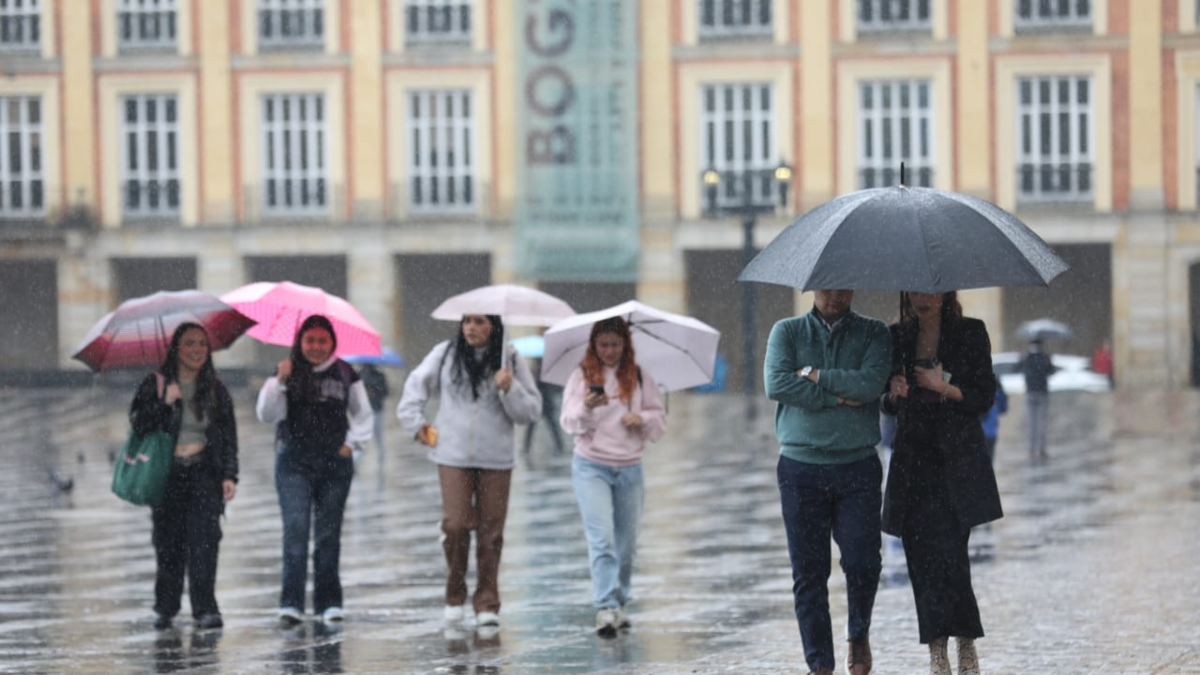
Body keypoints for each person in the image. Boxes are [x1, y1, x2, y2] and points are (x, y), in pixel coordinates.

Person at [764, 289, 892, 675]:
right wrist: (837, 398)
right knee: (809, 571)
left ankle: (858, 632)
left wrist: (816, 377)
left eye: (842, 286)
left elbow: (870, 385)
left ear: (853, 288)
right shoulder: (786, 332)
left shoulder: (875, 334)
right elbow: (777, 385)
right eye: (826, 286)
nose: (835, 295)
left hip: (858, 466)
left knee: (864, 562)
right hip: (800, 467)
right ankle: (819, 662)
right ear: (812, 288)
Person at [881, 291, 1003, 675]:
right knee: (920, 560)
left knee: (952, 557)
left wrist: (944, 387)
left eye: (930, 289)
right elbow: (883, 399)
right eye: (914, 289)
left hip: (956, 464)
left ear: (945, 291)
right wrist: (892, 395)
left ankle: (966, 641)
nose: (922, 297)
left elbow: (984, 395)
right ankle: (936, 650)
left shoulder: (970, 332)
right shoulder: (896, 337)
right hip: (913, 465)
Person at [396, 314, 541, 629]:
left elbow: (531, 411)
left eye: (479, 321)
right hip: (453, 455)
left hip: (496, 458)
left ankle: (487, 601)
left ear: (494, 326)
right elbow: (414, 389)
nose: (471, 328)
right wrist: (416, 424)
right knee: (456, 524)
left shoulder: (510, 358)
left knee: (491, 532)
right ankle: (454, 591)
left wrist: (511, 387)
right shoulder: (446, 354)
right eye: (466, 321)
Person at [256, 314, 373, 625]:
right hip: (294, 463)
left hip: (335, 463)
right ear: (300, 342)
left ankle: (329, 603)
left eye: (322, 340)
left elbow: (363, 414)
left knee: (328, 534)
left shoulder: (346, 372)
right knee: (295, 531)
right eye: (310, 340)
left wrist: (352, 445)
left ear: (332, 342)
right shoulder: (286, 370)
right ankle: (291, 602)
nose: (316, 347)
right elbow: (267, 415)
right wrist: (279, 382)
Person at [559, 317, 667, 637]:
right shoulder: (580, 377)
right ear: (594, 345)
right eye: (603, 344)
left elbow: (659, 421)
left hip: (630, 467)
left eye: (615, 344)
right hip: (591, 466)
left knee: (627, 544)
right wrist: (587, 408)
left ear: (625, 345)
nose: (609, 351)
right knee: (602, 537)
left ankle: (620, 600)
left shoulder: (638, 376)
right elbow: (568, 422)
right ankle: (605, 605)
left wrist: (642, 418)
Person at [129, 322, 239, 631]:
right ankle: (166, 605)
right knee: (168, 545)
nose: (196, 350)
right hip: (167, 476)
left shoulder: (216, 388)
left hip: (204, 473)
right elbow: (138, 423)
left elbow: (228, 435)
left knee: (205, 542)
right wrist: (164, 404)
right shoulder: (156, 384)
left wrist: (230, 474)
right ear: (176, 348)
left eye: (202, 344)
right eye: (189, 343)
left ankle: (205, 608)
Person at [522, 356, 566, 460]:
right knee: (534, 427)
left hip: (545, 403)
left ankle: (559, 446)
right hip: (538, 404)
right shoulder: (535, 372)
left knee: (551, 426)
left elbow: (553, 385)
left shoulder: (545, 371)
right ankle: (526, 447)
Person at [1020, 339, 1055, 462]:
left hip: (1030, 393)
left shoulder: (1027, 358)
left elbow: (1019, 369)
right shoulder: (1044, 357)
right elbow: (1051, 371)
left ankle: (1031, 450)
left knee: (1031, 424)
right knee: (1041, 423)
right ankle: (1041, 450)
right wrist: (1050, 359)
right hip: (1042, 393)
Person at [360, 363, 391, 458]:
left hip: (370, 410)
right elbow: (386, 392)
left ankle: (362, 455)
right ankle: (380, 454)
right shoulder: (379, 376)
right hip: (374, 409)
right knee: (376, 436)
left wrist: (372, 392)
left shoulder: (359, 375)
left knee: (364, 435)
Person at [979, 382, 1008, 463]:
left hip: (978, 433)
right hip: (991, 433)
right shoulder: (998, 391)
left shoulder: (977, 388)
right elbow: (1004, 409)